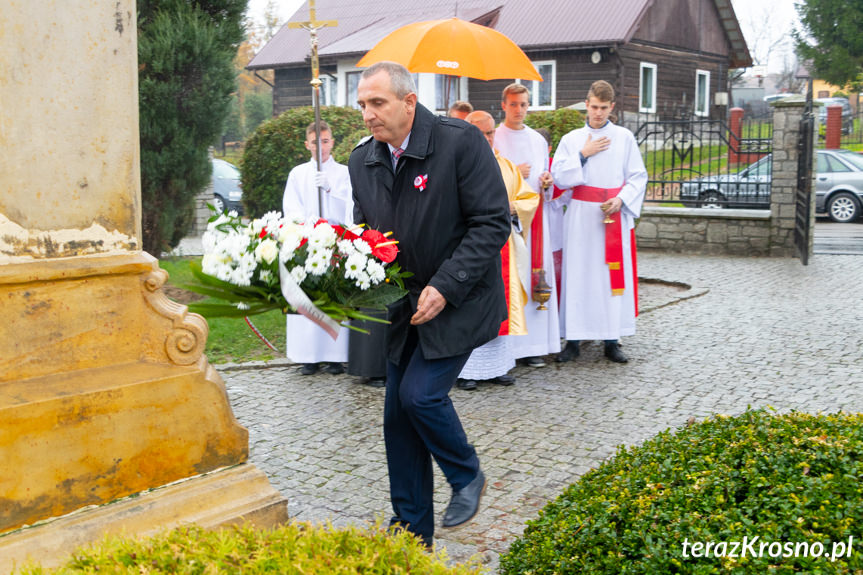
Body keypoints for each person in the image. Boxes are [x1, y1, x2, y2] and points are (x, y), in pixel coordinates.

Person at [348, 62, 510, 548]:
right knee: (398, 417)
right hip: (406, 308)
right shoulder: (361, 161)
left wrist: (446, 284)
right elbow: (368, 235)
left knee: (420, 396)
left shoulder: (459, 142)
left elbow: (492, 223)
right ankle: (411, 534)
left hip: (460, 298)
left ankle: (467, 475)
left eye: (377, 103)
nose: (368, 114)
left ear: (409, 102)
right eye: (362, 105)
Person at [550, 80, 647, 364]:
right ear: (587, 104)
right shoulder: (572, 139)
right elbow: (558, 177)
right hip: (581, 216)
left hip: (611, 215)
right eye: (594, 107)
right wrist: (583, 155)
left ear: (611, 107)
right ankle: (573, 340)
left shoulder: (625, 137)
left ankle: (611, 339)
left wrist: (621, 199)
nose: (598, 113)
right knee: (578, 276)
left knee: (609, 278)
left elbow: (638, 176)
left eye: (604, 108)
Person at [456, 110, 539, 390]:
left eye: (490, 132)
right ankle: (466, 370)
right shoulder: (456, 165)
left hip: (502, 246)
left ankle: (496, 367)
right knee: (471, 306)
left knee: (500, 302)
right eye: (479, 133)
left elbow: (528, 196)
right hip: (468, 247)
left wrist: (516, 207)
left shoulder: (505, 165)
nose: (486, 138)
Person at [494, 83, 561, 368]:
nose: (519, 110)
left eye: (523, 104)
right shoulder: (494, 136)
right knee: (513, 278)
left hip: (535, 222)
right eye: (513, 104)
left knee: (536, 277)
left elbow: (545, 180)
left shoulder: (536, 139)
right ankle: (510, 347)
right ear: (504, 106)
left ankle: (534, 346)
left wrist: (546, 181)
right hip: (510, 222)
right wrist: (511, 172)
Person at [283, 121, 352, 375]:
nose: (320, 147)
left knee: (333, 297)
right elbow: (291, 207)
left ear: (332, 142)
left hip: (335, 241)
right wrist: (308, 227)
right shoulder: (298, 174)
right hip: (309, 242)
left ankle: (335, 356)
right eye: (315, 142)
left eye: (325, 141)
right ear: (307, 144)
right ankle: (309, 355)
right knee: (310, 297)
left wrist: (331, 190)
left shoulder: (344, 173)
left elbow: (350, 207)